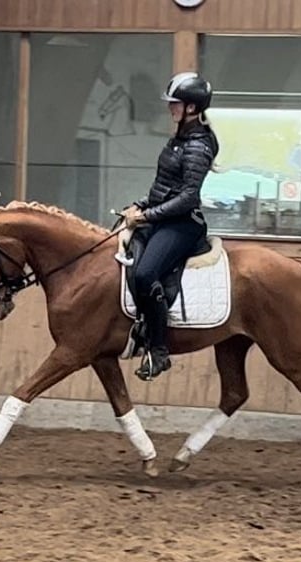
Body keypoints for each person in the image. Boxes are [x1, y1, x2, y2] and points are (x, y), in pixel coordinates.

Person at [121, 71, 220, 381]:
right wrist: (141, 204)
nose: (170, 108)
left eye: (175, 103)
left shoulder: (198, 146)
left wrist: (147, 216)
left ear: (192, 107)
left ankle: (159, 351)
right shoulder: (179, 138)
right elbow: (165, 184)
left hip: (182, 225)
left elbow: (188, 197)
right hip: (162, 216)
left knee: (146, 272)